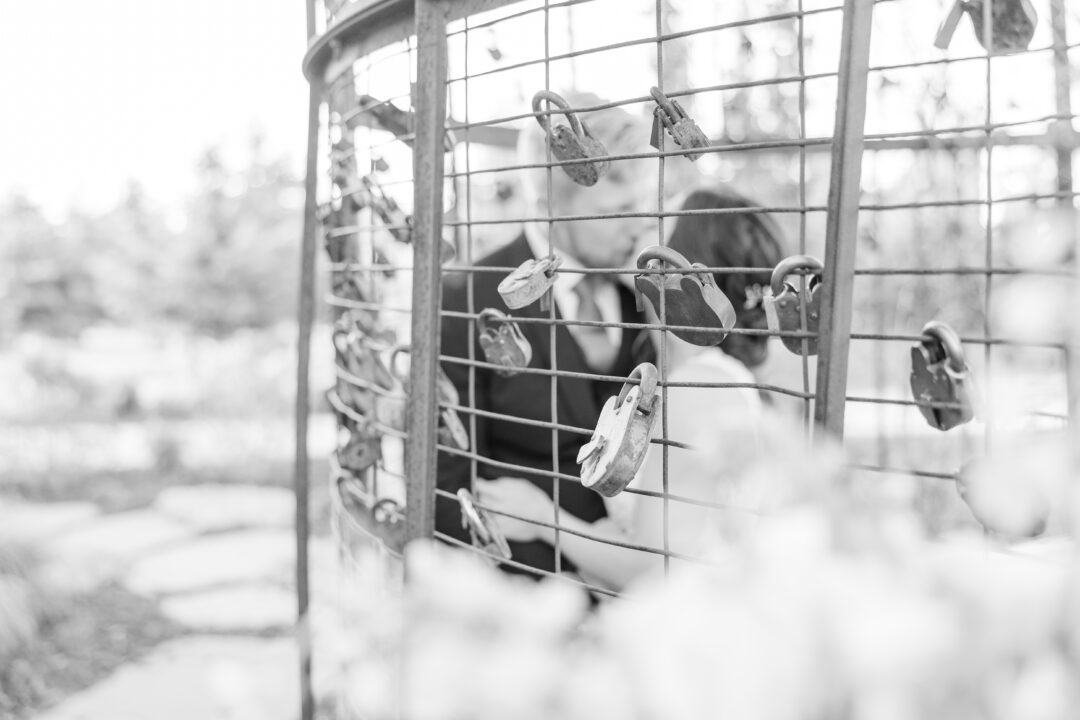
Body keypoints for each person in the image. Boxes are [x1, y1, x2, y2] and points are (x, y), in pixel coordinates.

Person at [476, 188, 786, 592]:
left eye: (658, 220)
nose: (639, 222)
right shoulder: (681, 372)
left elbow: (656, 569)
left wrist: (543, 519)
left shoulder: (702, 389)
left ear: (679, 267)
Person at [435, 94, 659, 580]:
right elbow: (446, 488)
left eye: (642, 205)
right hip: (527, 599)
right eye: (622, 207)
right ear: (550, 205)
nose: (641, 223)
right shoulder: (467, 295)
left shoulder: (643, 293)